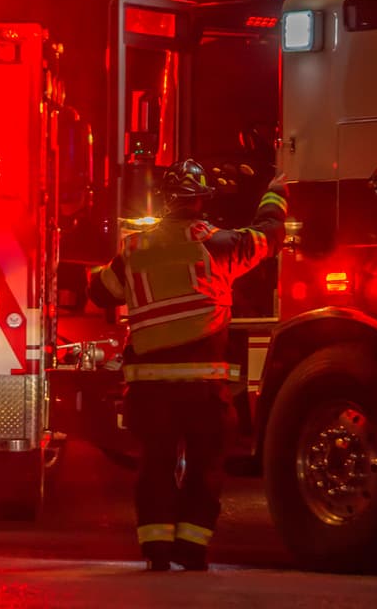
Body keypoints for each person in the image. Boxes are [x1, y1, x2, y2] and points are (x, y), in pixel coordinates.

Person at [88, 158, 288, 571]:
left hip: (149, 390)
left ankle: (156, 551)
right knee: (204, 467)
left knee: (155, 465)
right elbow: (269, 236)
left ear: (165, 200)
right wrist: (276, 192)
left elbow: (101, 293)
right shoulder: (219, 246)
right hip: (203, 389)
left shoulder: (135, 250)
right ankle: (192, 550)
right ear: (201, 201)